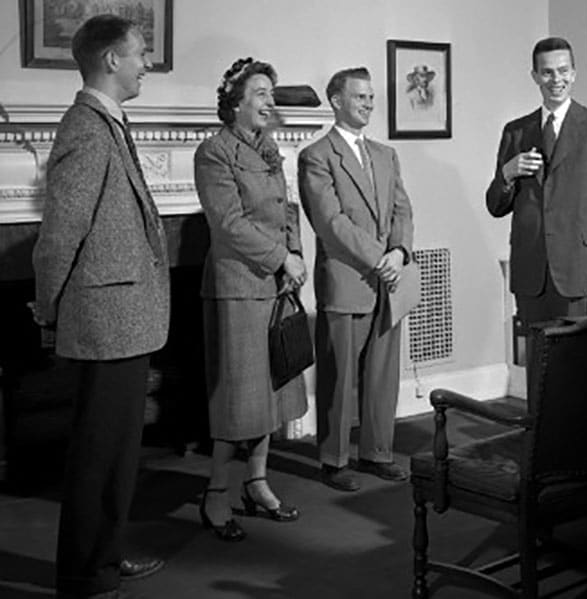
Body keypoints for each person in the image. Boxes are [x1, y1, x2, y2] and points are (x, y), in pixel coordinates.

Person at [30, 14, 169, 598]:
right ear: (111, 59)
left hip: (125, 322)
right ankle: (85, 575)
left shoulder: (107, 122)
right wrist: (46, 308)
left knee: (116, 455)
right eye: (139, 53)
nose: (146, 63)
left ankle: (105, 559)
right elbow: (61, 233)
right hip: (106, 321)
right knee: (97, 456)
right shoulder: (86, 128)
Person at [193, 57, 307, 541]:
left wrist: (295, 257)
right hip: (237, 288)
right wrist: (283, 257)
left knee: (270, 394)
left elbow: (287, 209)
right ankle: (216, 493)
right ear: (235, 103)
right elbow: (229, 223)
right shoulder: (214, 152)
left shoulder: (269, 149)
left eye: (271, 93)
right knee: (237, 399)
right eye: (260, 93)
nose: (269, 101)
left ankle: (256, 482)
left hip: (276, 283)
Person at [298, 67, 414, 493]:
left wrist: (400, 252)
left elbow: (403, 210)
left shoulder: (385, 155)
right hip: (347, 278)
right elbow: (331, 223)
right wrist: (380, 256)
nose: (368, 104)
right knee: (340, 376)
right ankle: (334, 459)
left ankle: (377, 452)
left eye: (370, 97)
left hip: (390, 278)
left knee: (383, 375)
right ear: (336, 101)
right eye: (360, 97)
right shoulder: (317, 156)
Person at [486, 37, 587, 326]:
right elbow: (495, 206)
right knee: (537, 365)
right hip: (530, 275)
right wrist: (507, 174)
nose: (556, 79)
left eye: (563, 71)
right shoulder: (516, 131)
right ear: (535, 76)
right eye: (547, 72)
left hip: (579, 273)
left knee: (577, 366)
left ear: (574, 73)